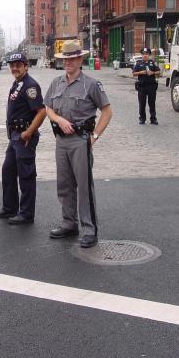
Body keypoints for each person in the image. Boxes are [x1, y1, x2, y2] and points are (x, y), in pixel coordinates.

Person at [44, 40, 112, 248]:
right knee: (64, 185)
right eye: (65, 59)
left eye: (72, 58)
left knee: (84, 187)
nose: (68, 62)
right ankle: (69, 223)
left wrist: (95, 137)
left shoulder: (91, 84)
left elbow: (107, 112)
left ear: (80, 59)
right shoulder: (56, 83)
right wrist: (59, 120)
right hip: (61, 142)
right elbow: (48, 108)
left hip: (81, 141)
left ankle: (90, 229)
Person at [0, 52, 46, 224]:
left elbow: (42, 112)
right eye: (12, 65)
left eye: (18, 65)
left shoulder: (30, 86)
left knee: (26, 176)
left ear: (25, 66)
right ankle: (10, 208)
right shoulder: (18, 84)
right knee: (7, 171)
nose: (14, 68)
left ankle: (26, 214)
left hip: (24, 137)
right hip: (15, 137)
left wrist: (29, 132)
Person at [132, 46, 160, 125]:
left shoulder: (152, 62)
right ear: (141, 55)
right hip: (142, 86)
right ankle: (142, 119)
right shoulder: (138, 63)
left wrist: (153, 72)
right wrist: (141, 72)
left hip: (151, 86)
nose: (145, 55)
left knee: (152, 103)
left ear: (149, 55)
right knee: (142, 103)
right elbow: (133, 74)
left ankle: (153, 119)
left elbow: (159, 72)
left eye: (147, 54)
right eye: (143, 54)